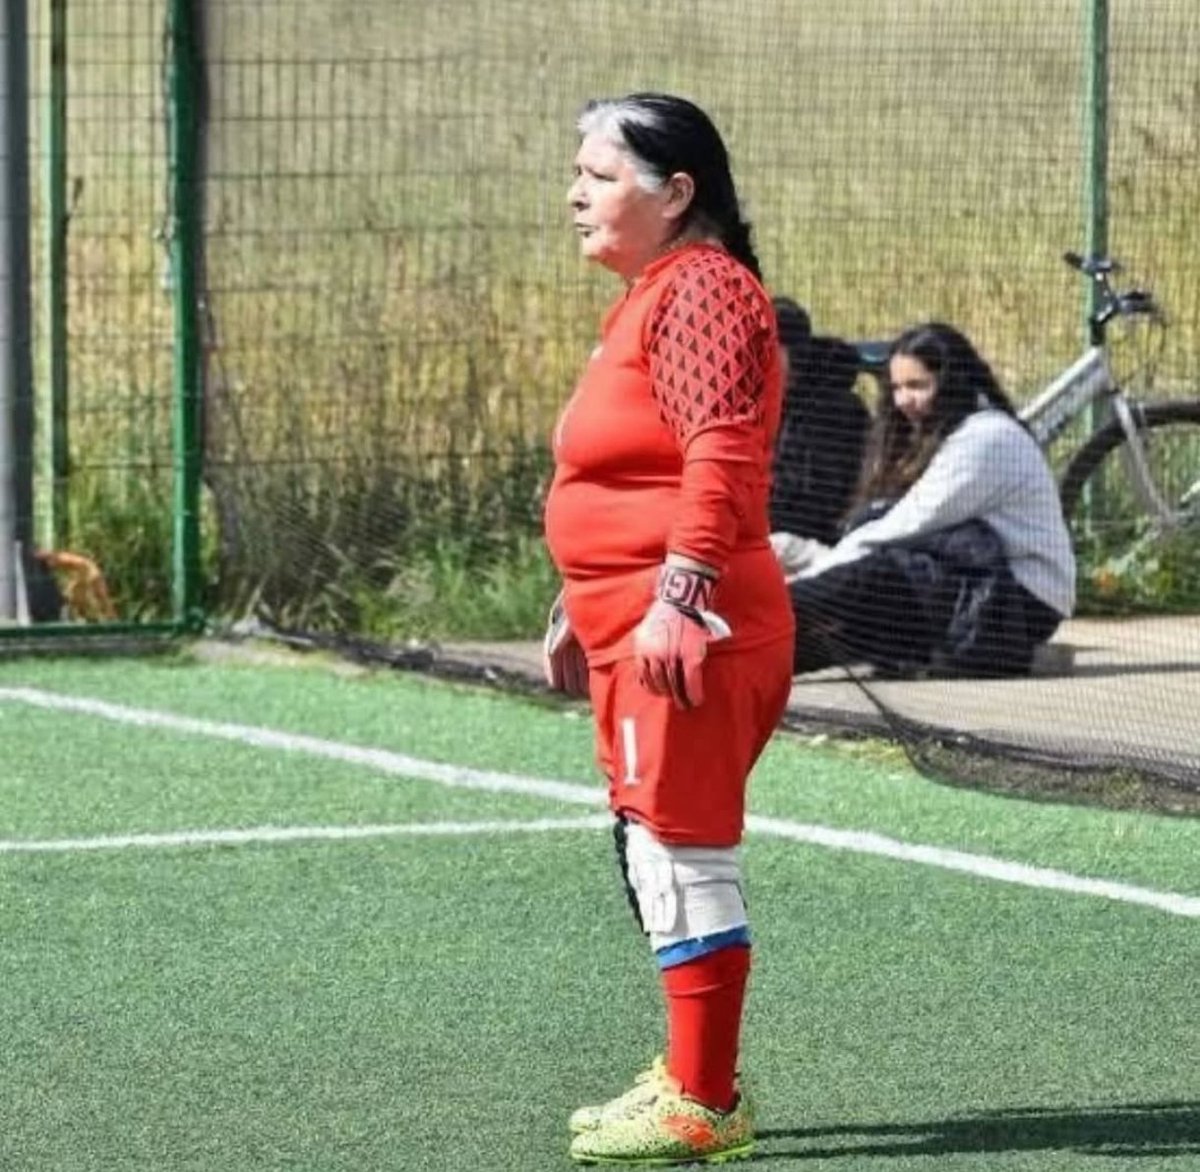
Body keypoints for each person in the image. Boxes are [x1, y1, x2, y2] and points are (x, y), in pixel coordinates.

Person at [541, 92, 795, 1166]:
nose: (574, 195)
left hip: (690, 627)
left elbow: (721, 454)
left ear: (676, 190)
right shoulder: (656, 294)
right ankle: (693, 1072)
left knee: (682, 852)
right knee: (653, 843)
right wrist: (583, 592)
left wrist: (678, 593)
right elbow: (627, 466)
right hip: (632, 623)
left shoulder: (703, 292)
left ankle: (705, 1097)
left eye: (598, 176)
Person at [775, 321, 1075, 678]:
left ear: (952, 381)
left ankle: (753, 611)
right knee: (851, 630)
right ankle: (731, 660)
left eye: (917, 386)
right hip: (971, 582)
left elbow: (909, 525)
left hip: (1018, 602)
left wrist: (805, 583)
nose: (904, 401)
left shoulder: (988, 439)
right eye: (898, 388)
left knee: (877, 574)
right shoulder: (946, 434)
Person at [769, 296, 871, 547]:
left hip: (804, 540)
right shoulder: (745, 402)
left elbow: (816, 505)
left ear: (794, 354)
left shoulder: (833, 411)